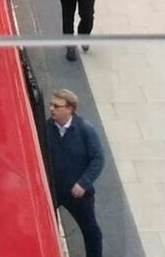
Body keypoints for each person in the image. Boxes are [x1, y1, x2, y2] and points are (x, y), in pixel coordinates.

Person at [43, 89, 106, 257]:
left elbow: (98, 159)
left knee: (91, 230)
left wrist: (83, 183)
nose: (51, 109)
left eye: (57, 106)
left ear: (70, 109)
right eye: (51, 105)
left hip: (77, 193)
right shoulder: (45, 129)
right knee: (40, 224)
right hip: (53, 190)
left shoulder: (85, 130)